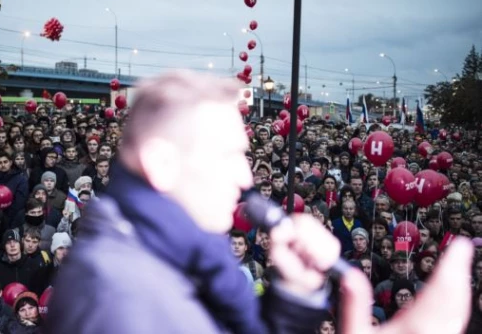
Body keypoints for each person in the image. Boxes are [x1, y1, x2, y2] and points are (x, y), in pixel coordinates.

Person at [48, 71, 475, 334]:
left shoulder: (183, 253)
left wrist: (296, 291)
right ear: (161, 163)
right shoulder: (123, 300)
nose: (245, 177)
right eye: (227, 156)